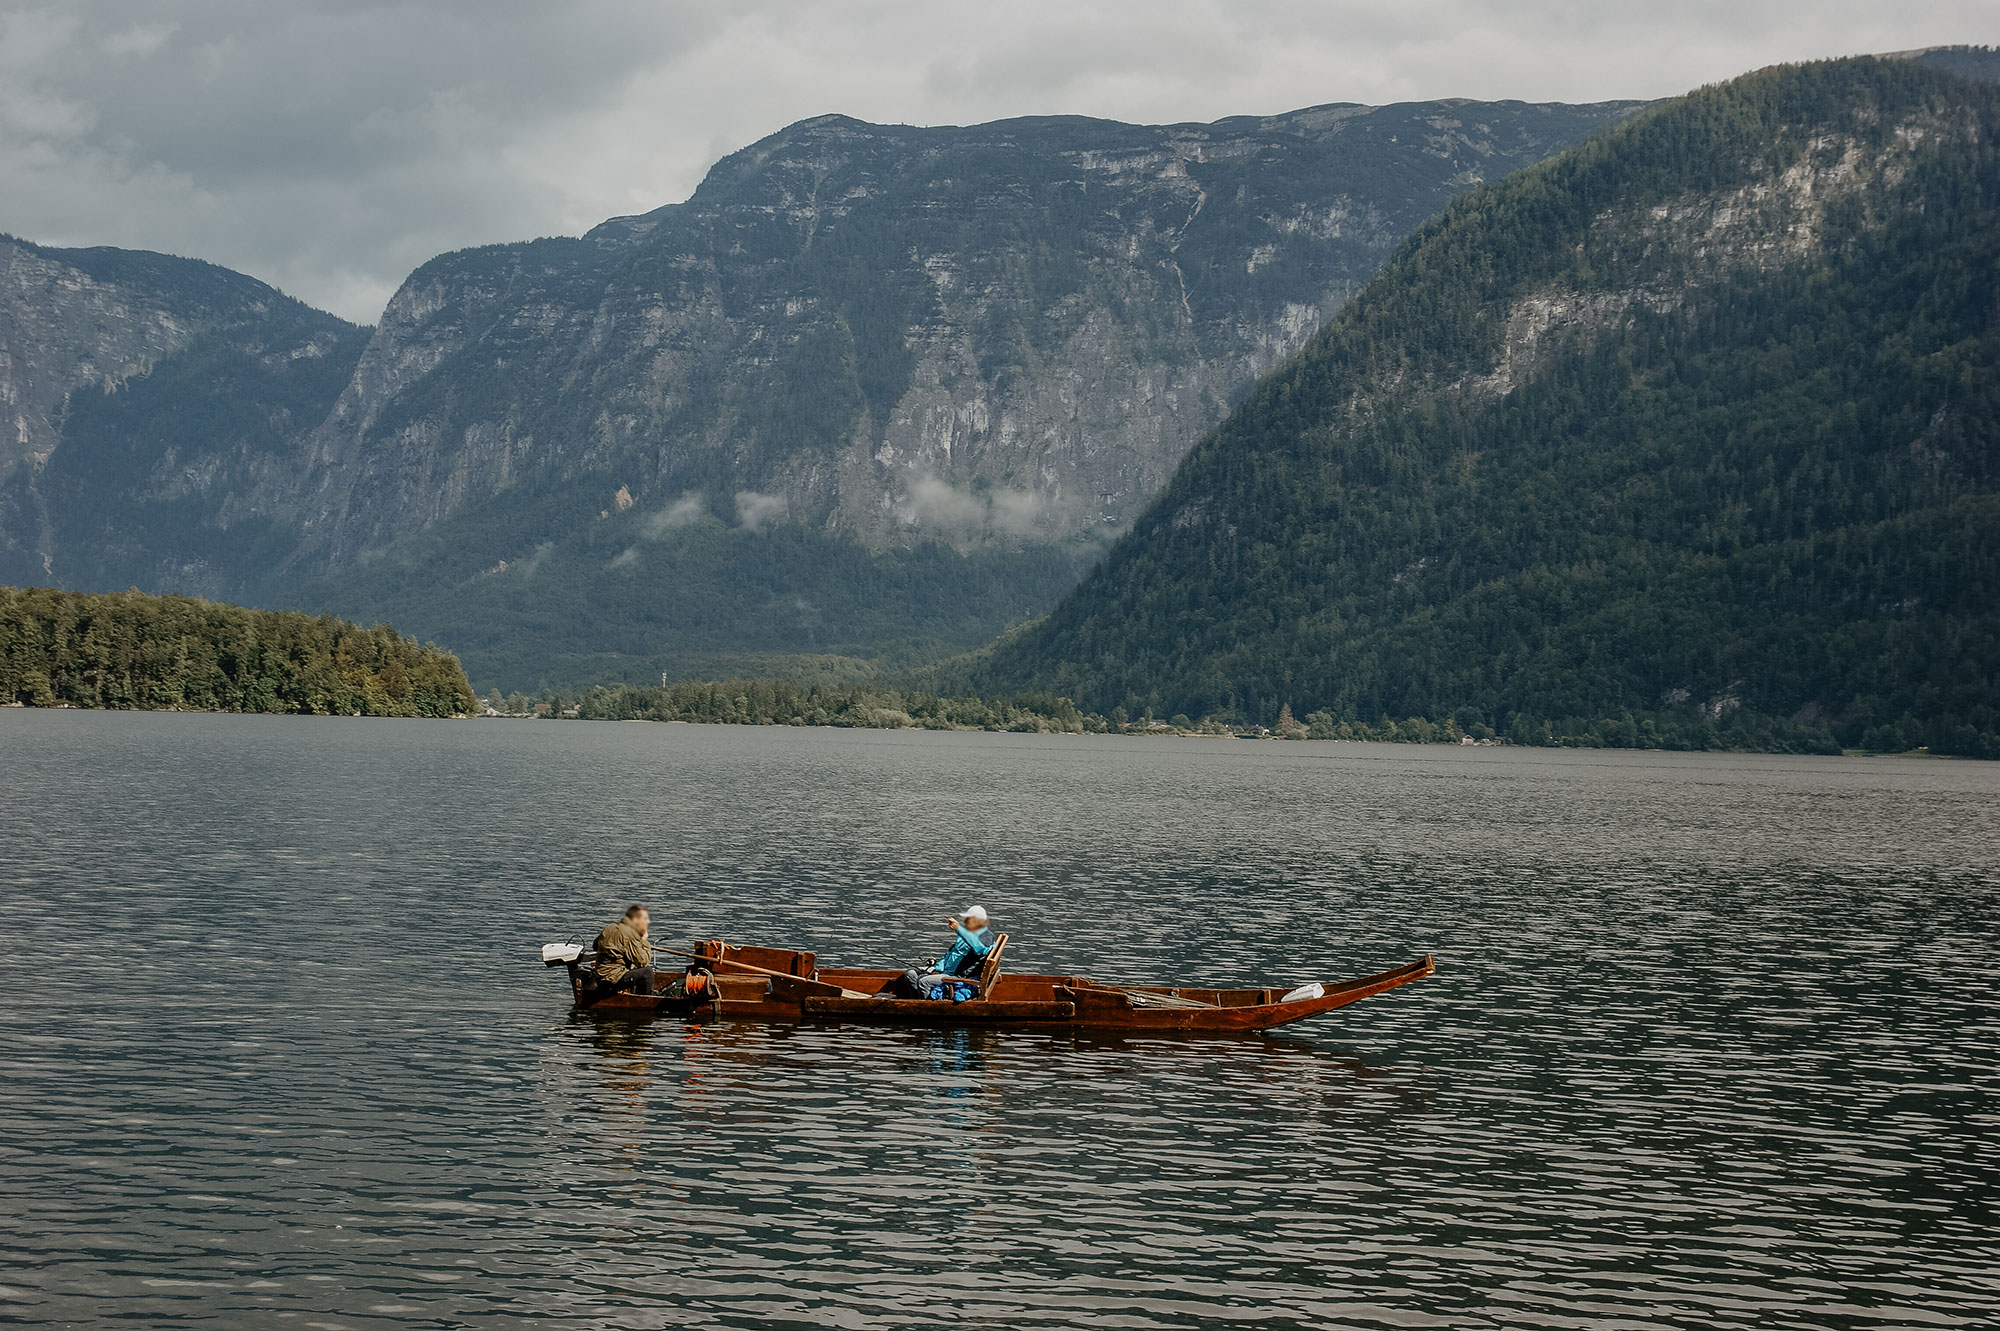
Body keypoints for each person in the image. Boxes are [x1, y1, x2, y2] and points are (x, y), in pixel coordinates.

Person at [893, 905, 995, 1000]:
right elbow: (951, 954)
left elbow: (979, 948)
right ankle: (916, 1003)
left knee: (924, 982)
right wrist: (936, 968)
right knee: (911, 973)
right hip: (947, 972)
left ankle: (928, 1009)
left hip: (959, 977)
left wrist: (958, 929)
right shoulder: (966, 935)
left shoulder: (986, 936)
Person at [593, 904, 656, 995]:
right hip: (612, 979)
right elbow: (643, 961)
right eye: (645, 919)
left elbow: (595, 946)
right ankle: (644, 1001)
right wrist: (644, 941)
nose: (648, 921)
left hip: (600, 977)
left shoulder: (609, 928)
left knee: (634, 969)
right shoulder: (630, 933)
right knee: (647, 972)